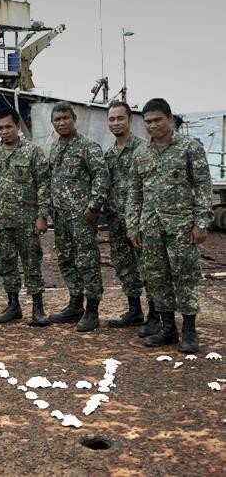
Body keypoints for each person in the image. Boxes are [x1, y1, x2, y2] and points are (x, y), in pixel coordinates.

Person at [126, 98, 212, 352]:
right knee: (156, 278)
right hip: (151, 227)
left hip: (182, 227)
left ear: (170, 118)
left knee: (185, 277)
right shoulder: (141, 153)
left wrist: (201, 222)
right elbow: (134, 192)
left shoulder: (189, 148)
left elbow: (203, 186)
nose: (153, 126)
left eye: (157, 120)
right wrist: (133, 226)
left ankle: (189, 331)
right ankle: (167, 328)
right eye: (148, 122)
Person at [0, 107, 52, 326]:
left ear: (18, 127)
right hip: (2, 221)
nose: (4, 131)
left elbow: (43, 184)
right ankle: (13, 305)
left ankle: (38, 307)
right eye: (0, 128)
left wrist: (42, 215)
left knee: (32, 263)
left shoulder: (33, 152)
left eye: (8, 127)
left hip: (27, 221)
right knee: (6, 264)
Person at [47, 101, 109, 332]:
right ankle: (75, 303)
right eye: (57, 120)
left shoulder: (88, 147)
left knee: (87, 261)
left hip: (82, 217)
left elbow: (101, 177)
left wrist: (94, 207)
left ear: (74, 119)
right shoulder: (56, 147)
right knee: (65, 259)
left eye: (65, 118)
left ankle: (92, 309)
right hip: (61, 217)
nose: (62, 123)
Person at [103, 101, 157, 334]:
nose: (116, 123)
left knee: (149, 268)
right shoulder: (109, 154)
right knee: (125, 267)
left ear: (130, 120)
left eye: (120, 118)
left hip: (142, 221)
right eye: (112, 119)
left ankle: (156, 315)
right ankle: (134, 310)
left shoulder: (144, 149)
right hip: (116, 220)